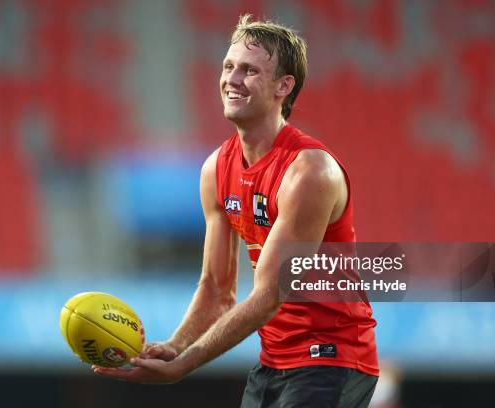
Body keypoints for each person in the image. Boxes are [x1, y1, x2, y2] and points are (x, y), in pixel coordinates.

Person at [93, 14, 379, 407]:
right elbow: (215, 287)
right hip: (273, 360)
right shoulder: (215, 169)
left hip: (331, 357)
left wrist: (185, 364)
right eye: (228, 67)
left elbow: (268, 295)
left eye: (249, 70)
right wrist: (175, 346)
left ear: (284, 86)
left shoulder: (309, 171)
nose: (232, 79)